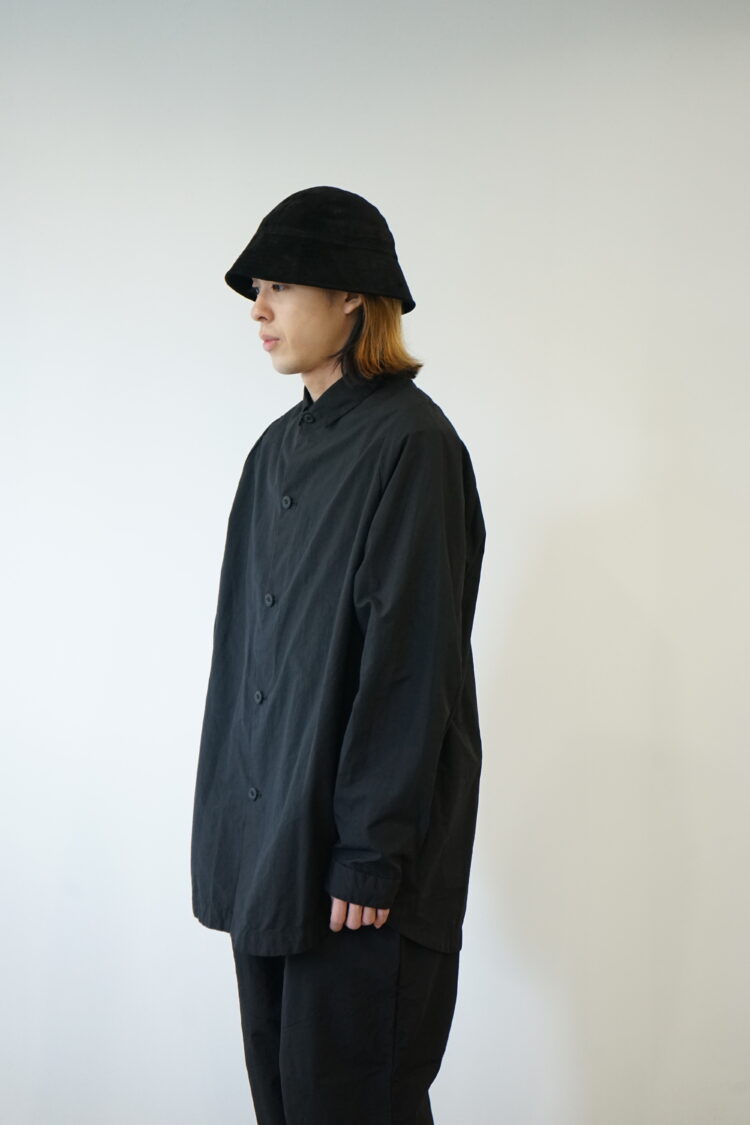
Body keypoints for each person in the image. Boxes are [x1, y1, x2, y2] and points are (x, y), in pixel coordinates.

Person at [190, 185, 486, 1125]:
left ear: (353, 294)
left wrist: (367, 854)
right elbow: (246, 662)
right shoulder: (272, 454)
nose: (259, 309)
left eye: (280, 285)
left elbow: (409, 666)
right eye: (257, 290)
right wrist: (233, 842)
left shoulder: (413, 445)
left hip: (358, 882)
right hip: (271, 863)